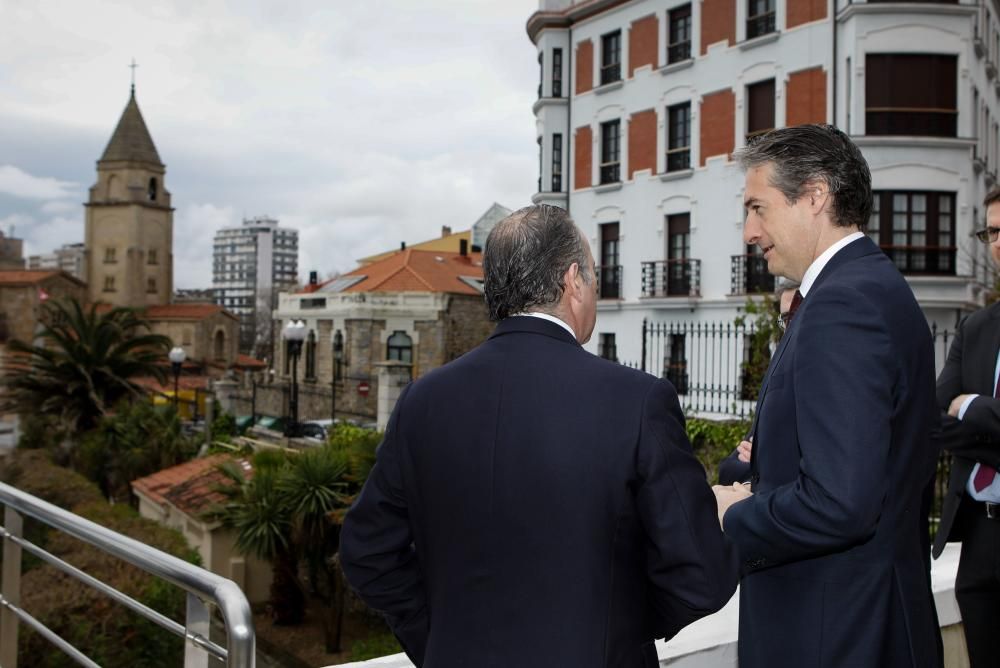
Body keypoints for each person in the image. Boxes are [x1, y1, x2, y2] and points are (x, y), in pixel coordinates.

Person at [339, 204, 738, 667]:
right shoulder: (638, 401)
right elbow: (700, 576)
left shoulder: (422, 400)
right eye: (591, 276)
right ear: (572, 281)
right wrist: (614, 628)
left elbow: (367, 552)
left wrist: (438, 643)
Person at [713, 124, 941, 668]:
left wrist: (733, 515)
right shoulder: (866, 288)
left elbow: (839, 504)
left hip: (837, 636)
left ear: (814, 196)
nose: (748, 231)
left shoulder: (844, 305)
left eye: (758, 208)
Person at [933, 187, 1000, 668]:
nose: (997, 242)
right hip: (980, 536)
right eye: (992, 232)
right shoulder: (977, 328)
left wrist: (973, 408)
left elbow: (958, 412)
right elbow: (934, 418)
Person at [717, 279, 801, 486]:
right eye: (784, 319)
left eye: (795, 317)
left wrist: (760, 458)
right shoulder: (778, 374)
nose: (789, 327)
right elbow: (728, 469)